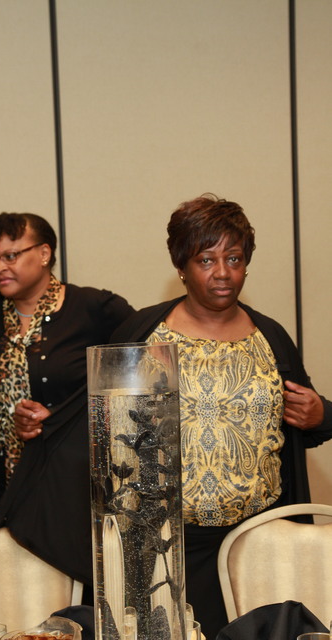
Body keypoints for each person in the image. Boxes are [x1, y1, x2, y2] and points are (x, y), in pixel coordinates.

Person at [111, 194, 332, 640]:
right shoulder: (143, 336)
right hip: (170, 547)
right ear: (181, 266)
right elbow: (106, 432)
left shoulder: (270, 336)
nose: (223, 272)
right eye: (206, 260)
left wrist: (321, 413)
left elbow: (306, 417)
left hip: (262, 537)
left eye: (233, 258)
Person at [0, 213, 134, 532]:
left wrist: (62, 416)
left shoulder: (94, 308)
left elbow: (138, 365)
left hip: (71, 478)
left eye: (10, 256)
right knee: (1, 564)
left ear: (44, 253)